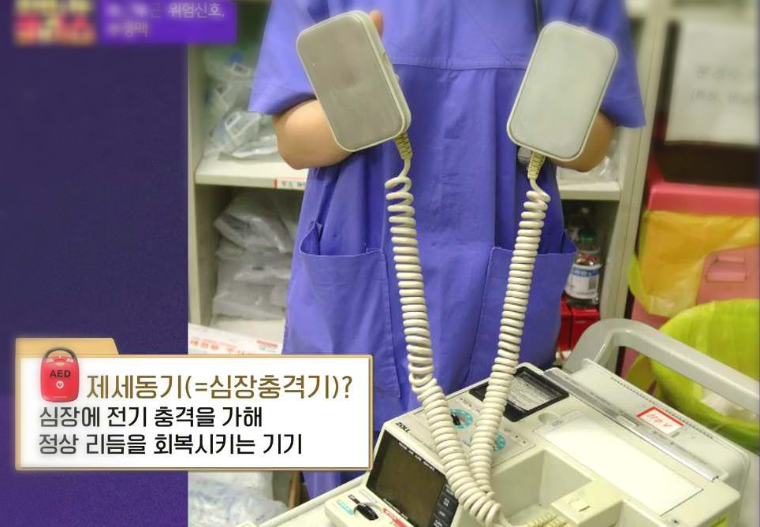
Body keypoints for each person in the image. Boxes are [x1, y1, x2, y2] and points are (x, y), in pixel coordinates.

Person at [249, 0, 645, 498]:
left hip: (501, 258)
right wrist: (360, 103)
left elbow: (592, 146)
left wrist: (555, 107)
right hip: (362, 261)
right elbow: (293, 141)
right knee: (348, 491)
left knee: (497, 468)